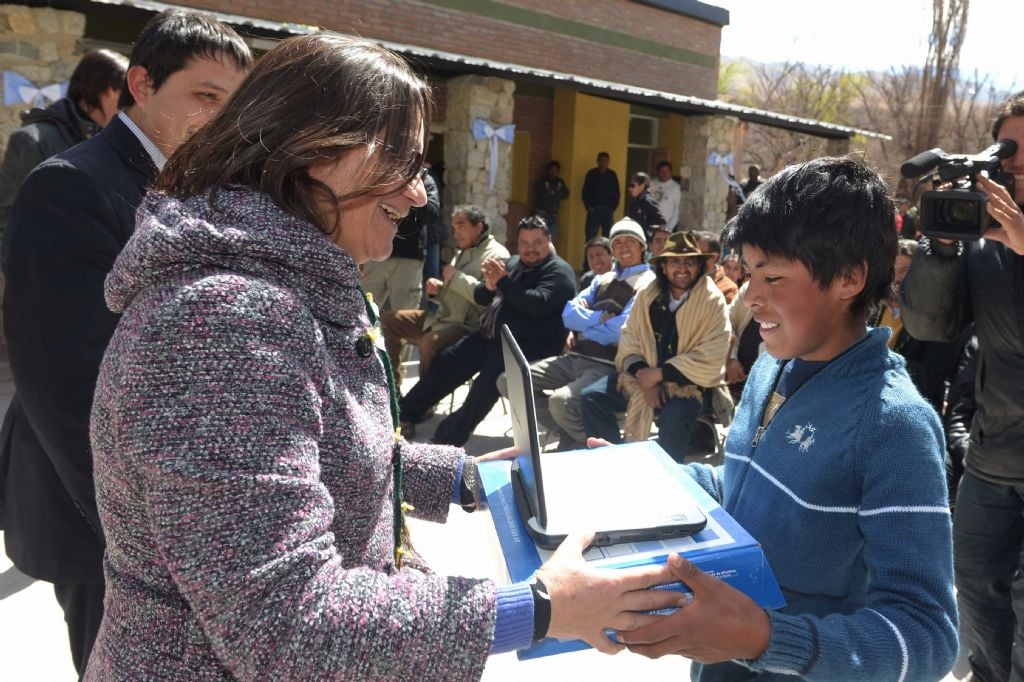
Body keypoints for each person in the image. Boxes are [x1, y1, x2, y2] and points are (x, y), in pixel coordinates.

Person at [82, 34, 682, 680]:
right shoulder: (223, 323)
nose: (420, 194)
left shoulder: (292, 282)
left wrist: (471, 480)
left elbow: (326, 453)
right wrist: (538, 609)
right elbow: (289, 625)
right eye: (400, 159)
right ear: (312, 149)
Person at [620, 156, 957, 681]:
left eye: (773, 277)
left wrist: (765, 639)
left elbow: (928, 636)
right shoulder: (772, 366)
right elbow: (745, 487)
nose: (751, 297)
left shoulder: (894, 425)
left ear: (849, 278)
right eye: (749, 273)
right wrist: (643, 477)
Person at [0, 11, 252, 678]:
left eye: (231, 104)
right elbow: (65, 384)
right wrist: (138, 534)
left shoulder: (193, 184)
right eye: (204, 95)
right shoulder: (70, 185)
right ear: (140, 84)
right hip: (103, 522)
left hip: (170, 511)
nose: (220, 119)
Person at [899, 90, 1024, 682]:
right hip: (994, 458)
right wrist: (942, 247)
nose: (1017, 162)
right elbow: (930, 324)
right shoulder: (982, 240)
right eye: (1009, 148)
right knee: (974, 588)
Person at [400, 215, 576, 446]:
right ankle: (404, 414)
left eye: (537, 243)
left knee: (486, 383)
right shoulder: (513, 264)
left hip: (527, 347)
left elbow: (536, 303)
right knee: (449, 360)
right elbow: (483, 297)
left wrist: (502, 282)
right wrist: (491, 286)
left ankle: (446, 439)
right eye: (524, 243)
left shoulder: (559, 272)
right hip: (492, 337)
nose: (530, 249)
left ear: (549, 240)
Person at [502, 218, 654, 451]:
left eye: (630, 242)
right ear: (612, 249)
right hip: (575, 357)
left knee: (560, 402)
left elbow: (621, 331)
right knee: (510, 380)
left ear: (642, 247)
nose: (623, 247)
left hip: (607, 363)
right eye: (618, 242)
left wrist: (585, 327)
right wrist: (599, 318)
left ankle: (597, 445)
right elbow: (568, 315)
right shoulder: (601, 279)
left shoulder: (647, 283)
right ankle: (571, 432)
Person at [580, 231, 730, 460]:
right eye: (675, 262)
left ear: (699, 266)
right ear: (664, 267)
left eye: (689, 262)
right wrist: (644, 377)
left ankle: (667, 474)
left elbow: (713, 354)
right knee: (591, 397)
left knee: (674, 416)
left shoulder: (712, 300)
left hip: (692, 385)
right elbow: (630, 337)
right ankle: (614, 460)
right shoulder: (648, 295)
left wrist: (660, 374)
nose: (682, 269)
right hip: (642, 377)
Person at [0, 49, 128, 233]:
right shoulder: (32, 141)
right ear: (109, 91)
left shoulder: (111, 144)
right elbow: (8, 221)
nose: (131, 107)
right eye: (128, 96)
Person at [381, 204, 509, 386]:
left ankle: (423, 398)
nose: (456, 233)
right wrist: (437, 291)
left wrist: (456, 277)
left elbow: (487, 298)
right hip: (440, 319)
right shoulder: (462, 250)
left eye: (461, 226)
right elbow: (455, 291)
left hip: (467, 326)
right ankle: (394, 388)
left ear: (479, 227)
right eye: (454, 227)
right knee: (389, 321)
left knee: (429, 342)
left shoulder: (497, 255)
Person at [870, 239, 958, 413]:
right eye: (893, 270)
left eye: (905, 270)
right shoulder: (870, 309)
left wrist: (875, 359)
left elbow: (930, 376)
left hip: (911, 412)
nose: (896, 278)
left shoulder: (938, 317)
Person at [360, 166, 441, 312]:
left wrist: (411, 195)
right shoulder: (383, 171)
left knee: (405, 315)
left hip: (408, 257)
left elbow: (432, 214)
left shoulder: (425, 181)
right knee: (364, 310)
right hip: (375, 254)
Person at [582, 151, 619, 241]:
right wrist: (589, 206)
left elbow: (617, 192)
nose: (603, 162)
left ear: (608, 162)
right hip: (594, 210)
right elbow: (585, 191)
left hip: (607, 210)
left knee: (608, 236)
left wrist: (613, 207)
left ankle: (606, 251)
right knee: (590, 236)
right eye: (601, 160)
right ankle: (589, 251)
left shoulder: (612, 175)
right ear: (597, 161)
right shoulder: (591, 174)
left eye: (605, 160)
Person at [696, 230, 739, 304]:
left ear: (714, 256)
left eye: (699, 254)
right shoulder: (684, 279)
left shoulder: (729, 289)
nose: (693, 258)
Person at [534, 159, 569, 242]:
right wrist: (554, 192)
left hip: (553, 215)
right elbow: (544, 193)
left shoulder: (560, 182)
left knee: (553, 238)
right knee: (540, 237)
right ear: (548, 170)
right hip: (542, 213)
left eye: (555, 170)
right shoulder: (543, 181)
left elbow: (566, 194)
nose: (553, 172)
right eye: (551, 170)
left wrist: (555, 193)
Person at [625, 171, 665, 240]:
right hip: (636, 238)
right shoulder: (635, 201)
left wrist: (648, 233)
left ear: (642, 186)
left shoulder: (647, 201)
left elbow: (661, 221)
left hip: (645, 240)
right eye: (629, 186)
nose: (630, 189)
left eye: (632, 186)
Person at [649, 160, 681, 231]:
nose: (664, 174)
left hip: (665, 226)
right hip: (650, 224)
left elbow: (677, 210)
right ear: (657, 172)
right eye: (661, 172)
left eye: (666, 172)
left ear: (670, 172)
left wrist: (669, 227)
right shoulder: (651, 184)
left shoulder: (676, 187)